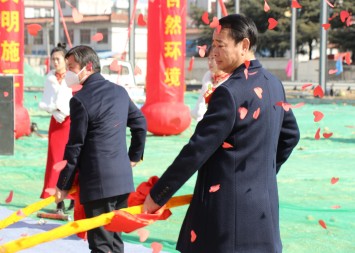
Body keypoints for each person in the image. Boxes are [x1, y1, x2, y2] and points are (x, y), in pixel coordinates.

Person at [143, 14, 300, 253]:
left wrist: (158, 195)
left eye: (220, 45)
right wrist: (262, 173)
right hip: (262, 213)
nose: (212, 52)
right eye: (212, 44)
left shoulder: (229, 92)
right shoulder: (274, 84)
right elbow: (291, 135)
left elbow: (197, 150)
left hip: (225, 218)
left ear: (244, 45)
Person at [54, 45, 147, 253]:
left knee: (102, 245)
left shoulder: (80, 100)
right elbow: (140, 123)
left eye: (71, 67)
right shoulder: (119, 92)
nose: (69, 72)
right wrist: (133, 156)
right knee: (115, 241)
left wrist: (63, 184)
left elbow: (75, 146)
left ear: (87, 66)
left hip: (98, 183)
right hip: (122, 180)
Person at [38, 42, 74, 213]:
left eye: (58, 59)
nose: (55, 62)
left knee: (72, 159)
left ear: (66, 60)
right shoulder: (50, 78)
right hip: (56, 123)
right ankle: (58, 201)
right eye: (53, 59)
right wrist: (54, 110)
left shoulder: (73, 77)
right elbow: (46, 101)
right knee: (55, 160)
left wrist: (66, 111)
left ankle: (74, 198)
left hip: (71, 122)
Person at [190, 47, 230, 122]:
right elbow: (200, 104)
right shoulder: (208, 77)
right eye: (208, 59)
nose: (209, 62)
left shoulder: (230, 80)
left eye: (212, 58)